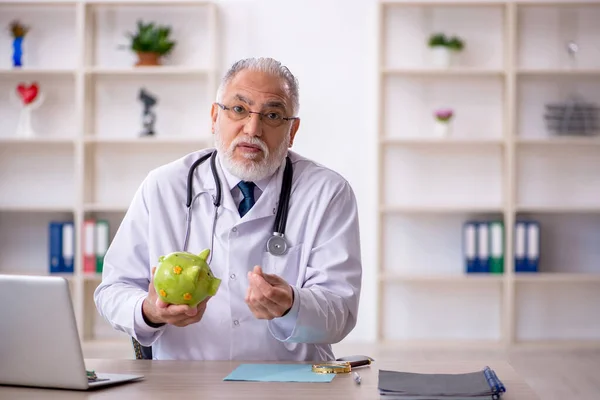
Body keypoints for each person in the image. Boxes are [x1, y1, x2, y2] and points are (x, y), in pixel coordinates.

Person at [94, 57, 362, 361]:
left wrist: (292, 304)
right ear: (213, 116)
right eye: (238, 109)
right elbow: (113, 290)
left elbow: (340, 311)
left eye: (272, 115)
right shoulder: (164, 186)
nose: (253, 128)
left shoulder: (327, 193)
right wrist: (149, 311)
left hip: (291, 384)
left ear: (292, 131)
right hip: (185, 385)